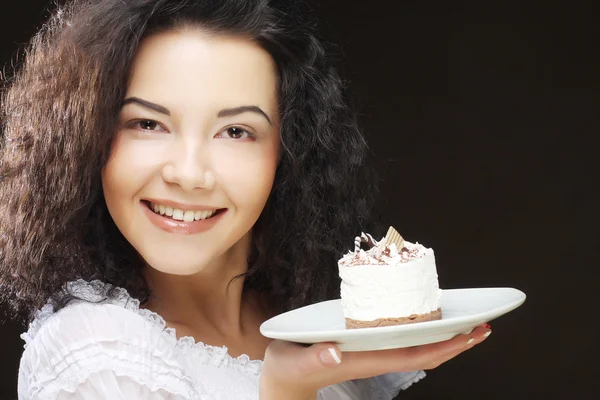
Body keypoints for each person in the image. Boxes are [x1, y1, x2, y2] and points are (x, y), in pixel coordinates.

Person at [0, 0, 491, 399]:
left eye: (235, 131)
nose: (189, 174)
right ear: (88, 137)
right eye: (147, 124)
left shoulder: (313, 325)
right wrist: (285, 390)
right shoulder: (92, 354)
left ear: (291, 151)